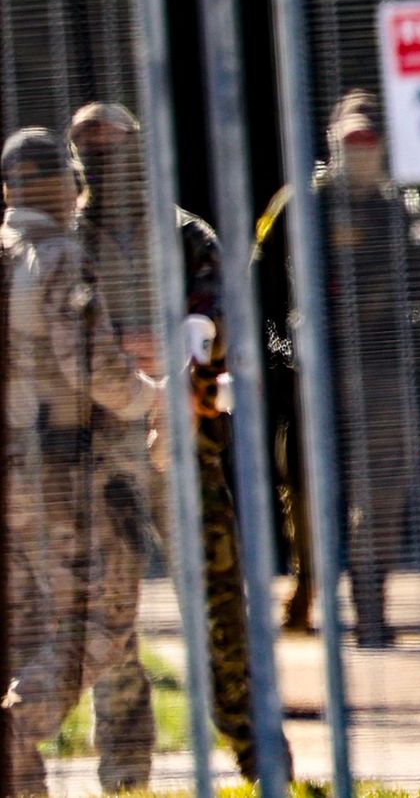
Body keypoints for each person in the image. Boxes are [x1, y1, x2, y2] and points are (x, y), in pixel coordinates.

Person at [67, 101, 292, 782]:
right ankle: (127, 775)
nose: (104, 163)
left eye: (115, 149)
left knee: (219, 595)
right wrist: (110, 354)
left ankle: (260, 756)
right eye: (90, 151)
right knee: (112, 620)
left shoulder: (183, 234)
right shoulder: (64, 241)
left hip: (181, 444)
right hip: (96, 454)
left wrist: (181, 346)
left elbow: (221, 312)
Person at [255, 89, 420, 648]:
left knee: (382, 492)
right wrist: (276, 354)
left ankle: (370, 608)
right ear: (331, 143)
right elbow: (260, 286)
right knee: (306, 486)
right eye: (350, 141)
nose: (360, 151)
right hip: (309, 367)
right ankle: (307, 586)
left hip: (383, 363)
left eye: (368, 141)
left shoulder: (402, 208)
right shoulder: (299, 203)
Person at [2, 127, 161, 796]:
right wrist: (157, 400)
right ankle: (16, 727)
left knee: (22, 635)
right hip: (58, 475)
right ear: (66, 185)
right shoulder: (60, 257)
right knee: (101, 624)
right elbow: (92, 366)